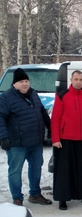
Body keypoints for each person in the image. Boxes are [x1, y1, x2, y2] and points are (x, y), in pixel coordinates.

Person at [0, 68, 52, 206]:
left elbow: (42, 112)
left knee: (36, 167)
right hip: (17, 143)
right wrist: (3, 137)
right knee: (15, 170)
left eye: (26, 81)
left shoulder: (33, 94)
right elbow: (0, 118)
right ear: (14, 84)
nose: (24, 84)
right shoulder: (6, 98)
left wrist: (50, 127)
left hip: (35, 141)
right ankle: (17, 198)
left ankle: (35, 194)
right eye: (21, 81)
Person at [51, 70, 82, 210]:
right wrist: (55, 138)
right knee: (65, 172)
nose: (78, 82)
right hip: (66, 140)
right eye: (76, 79)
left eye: (81, 79)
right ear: (71, 80)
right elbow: (55, 118)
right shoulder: (62, 96)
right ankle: (63, 199)